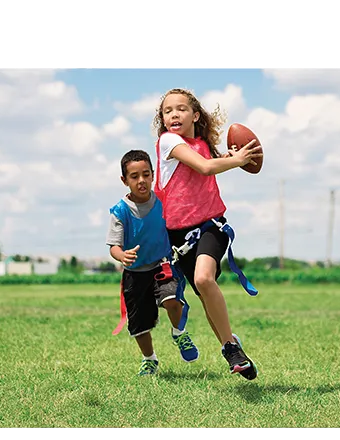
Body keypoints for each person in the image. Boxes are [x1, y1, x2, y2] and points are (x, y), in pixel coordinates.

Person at [152, 88, 264, 381]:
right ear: (162, 119)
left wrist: (233, 156)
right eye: (167, 111)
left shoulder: (201, 145)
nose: (174, 114)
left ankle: (230, 349)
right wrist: (236, 160)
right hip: (177, 238)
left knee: (203, 279)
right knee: (204, 296)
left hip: (210, 227)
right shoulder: (168, 141)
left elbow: (208, 164)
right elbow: (204, 168)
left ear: (195, 115)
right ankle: (234, 349)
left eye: (181, 109)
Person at [106, 149, 199, 376]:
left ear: (153, 175)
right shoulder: (120, 211)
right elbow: (114, 246)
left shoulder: (163, 201)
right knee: (139, 324)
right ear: (124, 180)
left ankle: (179, 332)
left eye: (146, 175)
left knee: (172, 299)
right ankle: (150, 359)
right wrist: (122, 256)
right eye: (134, 176)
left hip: (163, 265)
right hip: (135, 274)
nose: (141, 181)